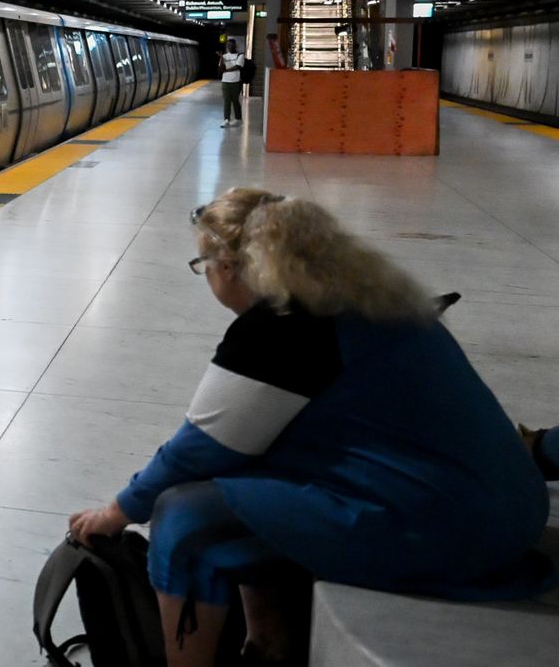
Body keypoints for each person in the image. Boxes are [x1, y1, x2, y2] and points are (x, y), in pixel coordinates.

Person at [68, 189, 553, 667]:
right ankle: (270, 647)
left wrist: (117, 510)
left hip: (449, 525)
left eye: (203, 266)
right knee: (254, 488)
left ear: (229, 267)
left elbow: (198, 450)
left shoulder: (283, 326)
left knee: (186, 520)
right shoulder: (369, 295)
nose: (207, 276)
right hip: (506, 504)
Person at [219, 39, 246, 127]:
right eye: (228, 45)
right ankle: (226, 119)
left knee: (235, 100)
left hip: (236, 81)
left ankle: (238, 119)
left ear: (235, 46)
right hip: (225, 81)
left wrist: (226, 70)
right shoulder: (224, 56)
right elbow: (220, 69)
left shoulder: (240, 55)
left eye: (231, 45)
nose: (229, 46)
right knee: (226, 101)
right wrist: (222, 59)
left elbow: (237, 66)